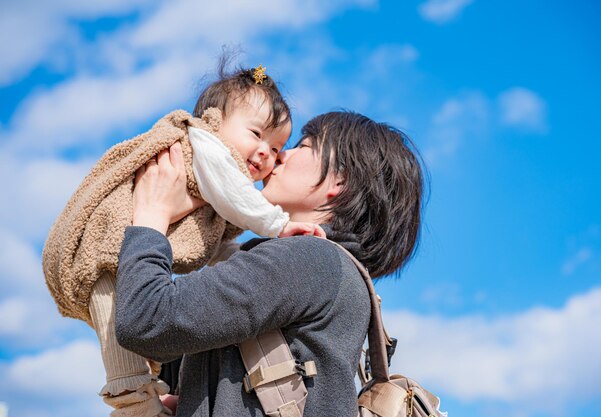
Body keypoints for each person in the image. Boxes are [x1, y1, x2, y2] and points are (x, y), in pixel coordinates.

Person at [42, 62, 324, 417]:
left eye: (276, 145)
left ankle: (150, 400)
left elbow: (214, 242)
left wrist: (234, 256)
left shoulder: (218, 192)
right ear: (215, 121)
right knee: (124, 356)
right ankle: (135, 406)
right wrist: (278, 226)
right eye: (256, 134)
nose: (268, 153)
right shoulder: (206, 146)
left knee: (138, 343)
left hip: (126, 252)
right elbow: (237, 196)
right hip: (104, 250)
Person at [115, 111, 427, 416]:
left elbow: (146, 320)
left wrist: (151, 215)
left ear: (340, 181)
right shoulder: (333, 275)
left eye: (303, 146)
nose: (281, 156)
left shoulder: (309, 261)